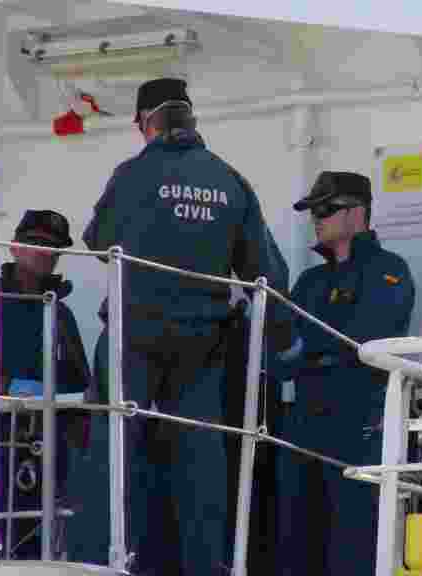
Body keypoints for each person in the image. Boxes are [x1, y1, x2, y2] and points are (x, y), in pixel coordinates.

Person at [77, 77, 290, 575]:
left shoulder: (131, 175)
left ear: (144, 123)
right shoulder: (230, 180)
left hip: (136, 337)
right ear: (190, 118)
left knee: (114, 454)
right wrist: (283, 341)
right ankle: (208, 567)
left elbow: (97, 239)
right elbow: (268, 274)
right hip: (201, 343)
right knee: (201, 467)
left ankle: (93, 563)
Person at [272, 170, 415, 576]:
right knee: (296, 537)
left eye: (327, 208)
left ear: (357, 213)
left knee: (353, 538)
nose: (317, 217)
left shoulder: (390, 270)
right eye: (313, 211)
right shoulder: (309, 282)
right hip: (304, 420)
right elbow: (280, 358)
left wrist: (309, 350)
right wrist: (316, 350)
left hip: (358, 419)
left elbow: (367, 338)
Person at [0, 209, 90, 560]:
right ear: (14, 248)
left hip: (46, 440)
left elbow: (79, 381)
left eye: (54, 248)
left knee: (37, 539)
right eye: (36, 244)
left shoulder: (60, 312)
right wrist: (14, 385)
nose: (45, 253)